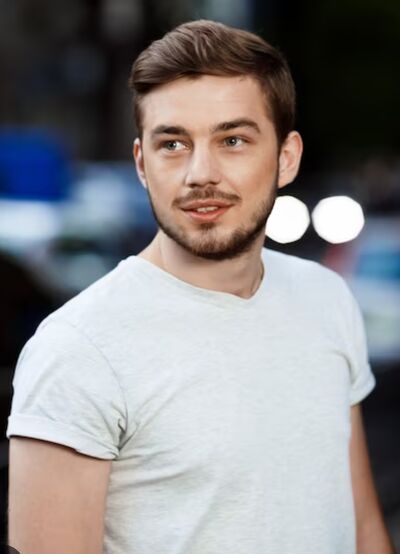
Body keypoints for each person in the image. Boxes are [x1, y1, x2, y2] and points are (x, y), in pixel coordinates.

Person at [6, 19, 395, 554]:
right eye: (173, 143)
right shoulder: (78, 349)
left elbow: (363, 530)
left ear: (286, 157)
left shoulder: (327, 298)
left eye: (232, 140)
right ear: (142, 164)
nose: (200, 173)